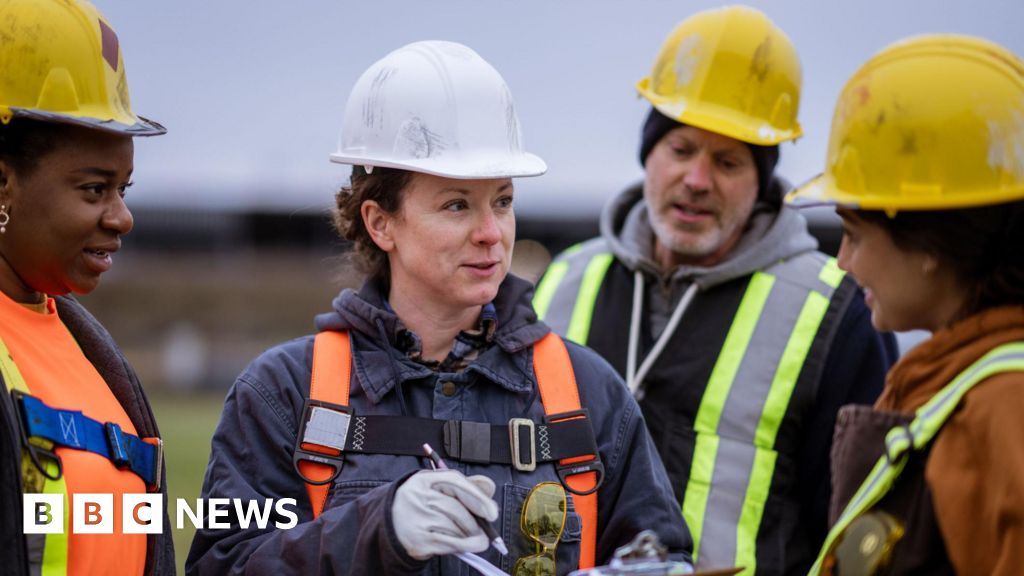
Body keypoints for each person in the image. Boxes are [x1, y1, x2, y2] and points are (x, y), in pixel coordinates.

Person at [186, 40, 691, 575]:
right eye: (457, 205)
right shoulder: (285, 395)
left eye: (502, 200)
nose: (492, 234)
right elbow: (224, 567)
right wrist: (378, 528)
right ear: (381, 222)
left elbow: (664, 556)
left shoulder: (587, 394)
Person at [534, 6, 898, 575]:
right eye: (680, 150)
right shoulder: (563, 282)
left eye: (727, 161)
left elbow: (860, 532)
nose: (698, 180)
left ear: (762, 180)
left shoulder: (836, 313)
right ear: (648, 155)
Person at [787, 34, 1024, 576]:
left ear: (931, 244)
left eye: (855, 234)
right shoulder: (955, 380)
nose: (843, 261)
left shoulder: (1005, 406)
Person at [0, 0, 173, 574]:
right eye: (94, 190)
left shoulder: (94, 355)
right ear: (3, 184)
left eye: (124, 188)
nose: (122, 217)